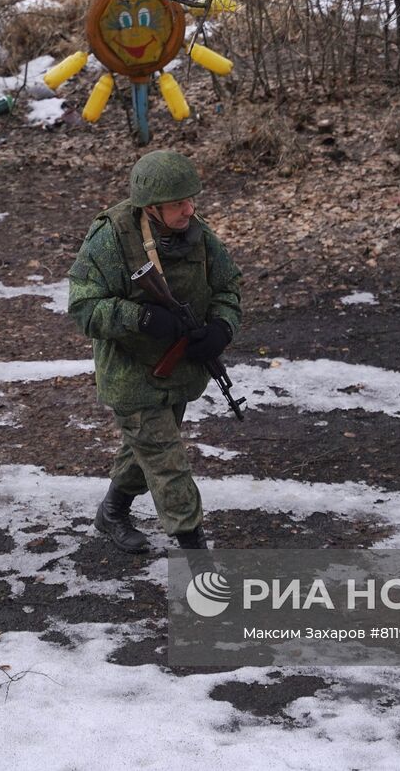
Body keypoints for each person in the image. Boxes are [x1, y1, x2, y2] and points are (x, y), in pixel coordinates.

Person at [67, 150, 242, 552]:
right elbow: (83, 307)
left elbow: (228, 287)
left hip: (177, 370)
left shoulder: (199, 235)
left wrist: (220, 327)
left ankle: (111, 512)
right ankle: (195, 554)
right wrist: (140, 318)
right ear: (151, 207)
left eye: (191, 199)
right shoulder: (111, 238)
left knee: (144, 447)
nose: (189, 209)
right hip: (129, 373)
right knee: (166, 460)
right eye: (178, 203)